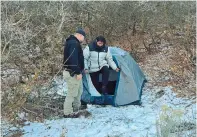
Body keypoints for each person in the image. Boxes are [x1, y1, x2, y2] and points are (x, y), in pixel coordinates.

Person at [63, 29, 86, 117]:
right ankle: (67, 113)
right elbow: (73, 59)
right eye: (83, 37)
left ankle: (77, 108)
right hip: (72, 73)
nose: (83, 39)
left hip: (75, 72)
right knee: (72, 93)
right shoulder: (73, 43)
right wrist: (77, 72)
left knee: (79, 91)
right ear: (80, 35)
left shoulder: (73, 42)